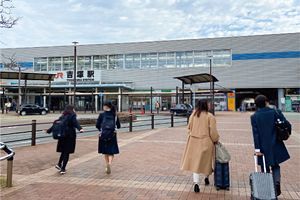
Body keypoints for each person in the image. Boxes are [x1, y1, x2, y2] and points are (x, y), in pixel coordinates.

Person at [250, 95, 291, 196]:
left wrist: (257, 149)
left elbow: (256, 134)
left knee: (265, 167)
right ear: (266, 102)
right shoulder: (275, 112)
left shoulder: (254, 116)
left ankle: (268, 189)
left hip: (263, 147)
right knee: (276, 166)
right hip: (276, 144)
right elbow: (285, 123)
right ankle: (276, 183)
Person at [181, 99, 220, 193]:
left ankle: (196, 183)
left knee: (195, 163)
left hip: (193, 142)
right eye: (209, 104)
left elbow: (189, 128)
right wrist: (216, 140)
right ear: (206, 105)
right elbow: (213, 132)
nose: (210, 105)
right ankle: (206, 177)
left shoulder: (193, 115)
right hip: (206, 141)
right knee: (206, 161)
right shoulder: (210, 116)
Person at [46, 105, 83, 174]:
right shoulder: (72, 115)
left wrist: (48, 131)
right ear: (72, 109)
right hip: (69, 136)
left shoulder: (62, 116)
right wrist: (80, 128)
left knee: (63, 151)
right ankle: (63, 168)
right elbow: (75, 123)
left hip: (62, 136)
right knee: (66, 152)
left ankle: (59, 164)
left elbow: (55, 125)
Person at [96, 101, 121, 174]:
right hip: (112, 135)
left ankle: (107, 164)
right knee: (111, 151)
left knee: (105, 151)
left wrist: (101, 130)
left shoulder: (102, 115)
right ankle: (109, 164)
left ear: (105, 107)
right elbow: (119, 126)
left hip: (103, 135)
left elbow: (97, 125)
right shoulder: (114, 115)